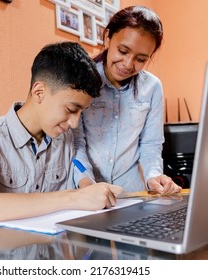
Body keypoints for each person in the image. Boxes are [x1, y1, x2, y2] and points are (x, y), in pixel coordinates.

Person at [0, 42, 123, 226]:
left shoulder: (66, 140)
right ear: (39, 92)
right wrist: (73, 198)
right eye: (71, 109)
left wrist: (89, 190)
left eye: (81, 112)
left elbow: (83, 177)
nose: (75, 123)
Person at [73, 6, 182, 194]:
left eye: (140, 59)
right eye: (123, 51)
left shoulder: (152, 87)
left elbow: (151, 144)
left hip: (129, 194)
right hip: (85, 190)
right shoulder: (80, 78)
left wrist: (154, 176)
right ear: (107, 37)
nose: (128, 64)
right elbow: (76, 143)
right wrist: (87, 186)